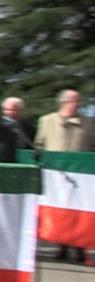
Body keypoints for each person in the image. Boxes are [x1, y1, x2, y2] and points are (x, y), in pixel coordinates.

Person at [35, 89, 94, 265]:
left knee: (79, 212)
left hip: (80, 176)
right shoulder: (47, 121)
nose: (79, 104)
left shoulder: (88, 123)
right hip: (56, 175)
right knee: (60, 211)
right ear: (64, 102)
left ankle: (80, 247)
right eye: (76, 101)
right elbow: (39, 144)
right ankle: (61, 246)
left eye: (79, 101)